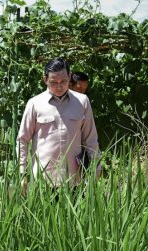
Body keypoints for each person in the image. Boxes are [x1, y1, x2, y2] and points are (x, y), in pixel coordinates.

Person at [17, 58, 100, 192]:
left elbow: (90, 138)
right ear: (45, 79)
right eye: (53, 82)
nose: (59, 86)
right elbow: (22, 140)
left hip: (74, 180)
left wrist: (96, 166)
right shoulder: (34, 104)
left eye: (64, 81)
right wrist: (22, 172)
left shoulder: (82, 102)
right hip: (42, 182)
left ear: (70, 76)